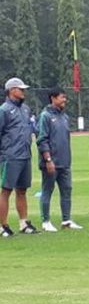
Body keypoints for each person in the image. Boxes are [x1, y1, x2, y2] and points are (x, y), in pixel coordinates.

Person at [37, 87, 82, 232]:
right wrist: (48, 160)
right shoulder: (45, 116)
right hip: (51, 163)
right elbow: (42, 140)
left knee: (67, 190)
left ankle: (66, 220)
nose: (65, 100)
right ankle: (45, 221)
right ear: (53, 98)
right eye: (62, 97)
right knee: (47, 190)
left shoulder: (65, 117)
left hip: (64, 162)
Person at [0, 78, 38, 237]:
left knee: (22, 190)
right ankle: (3, 225)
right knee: (6, 190)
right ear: (11, 90)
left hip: (25, 155)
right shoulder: (3, 110)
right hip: (10, 156)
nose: (23, 92)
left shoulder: (26, 109)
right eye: (20, 89)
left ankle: (24, 223)